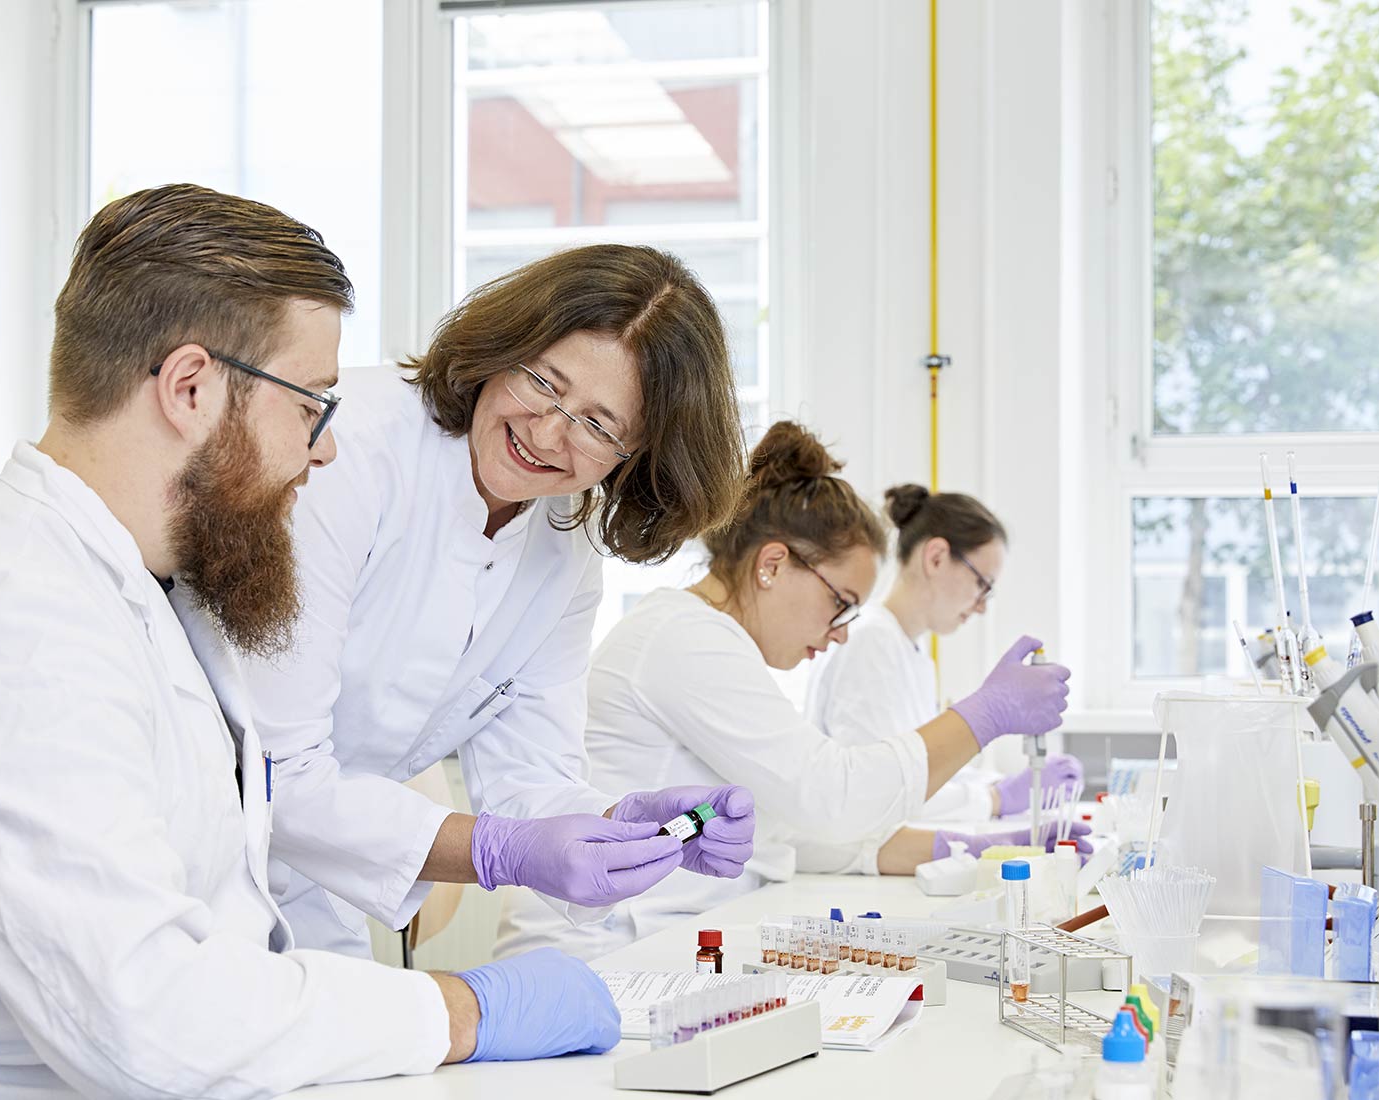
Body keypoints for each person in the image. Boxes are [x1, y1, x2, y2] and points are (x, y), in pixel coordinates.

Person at [0, 185, 622, 1099]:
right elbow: (153, 1027)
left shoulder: (137, 596)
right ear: (191, 388)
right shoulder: (3, 619)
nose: (325, 452)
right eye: (311, 407)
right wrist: (466, 1012)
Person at [216, 244, 759, 957]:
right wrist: (497, 852)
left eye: (599, 426)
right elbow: (276, 770)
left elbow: (529, 779)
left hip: (317, 899)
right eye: (542, 381)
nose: (547, 432)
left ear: (638, 458)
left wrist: (621, 828)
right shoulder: (350, 452)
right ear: (503, 347)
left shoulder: (563, 554)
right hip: (199, 860)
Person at [493, 422, 1084, 960]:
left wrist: (971, 848)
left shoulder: (715, 643)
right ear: (772, 564)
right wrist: (987, 713)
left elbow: (795, 832)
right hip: (597, 959)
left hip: (664, 942)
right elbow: (832, 796)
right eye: (840, 603)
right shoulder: (683, 639)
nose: (843, 631)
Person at [807, 484, 1082, 822]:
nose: (981, 607)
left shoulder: (912, 651)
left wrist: (1007, 784)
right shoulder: (871, 641)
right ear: (936, 557)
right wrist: (997, 798)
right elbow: (878, 791)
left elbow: (927, 770)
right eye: (982, 584)